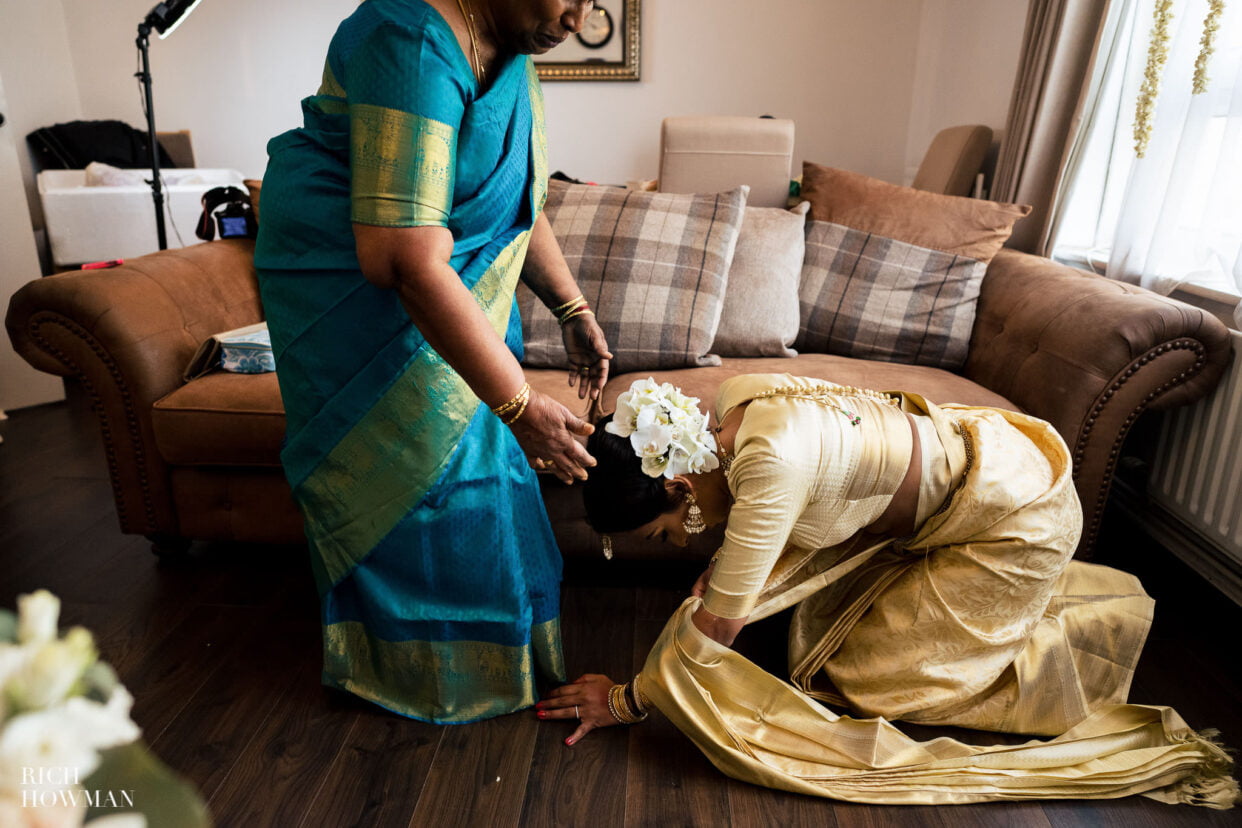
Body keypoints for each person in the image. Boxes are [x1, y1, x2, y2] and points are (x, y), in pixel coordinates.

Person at [538, 374, 1237, 807]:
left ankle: (1089, 642)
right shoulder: (738, 401)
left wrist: (625, 700)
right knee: (812, 635)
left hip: (1017, 516)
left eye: (668, 528)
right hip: (978, 461)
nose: (683, 538)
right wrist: (730, 584)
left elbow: (712, 637)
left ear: (679, 481)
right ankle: (1008, 610)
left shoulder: (768, 474)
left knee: (871, 682)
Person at [254, 0, 611, 724]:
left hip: (455, 300)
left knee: (487, 493)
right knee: (414, 497)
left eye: (598, 2)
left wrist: (573, 308)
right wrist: (516, 405)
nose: (580, 17)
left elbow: (513, 197)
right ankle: (403, 673)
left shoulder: (507, 52)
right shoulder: (408, 42)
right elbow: (403, 259)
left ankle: (502, 664)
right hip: (361, 307)